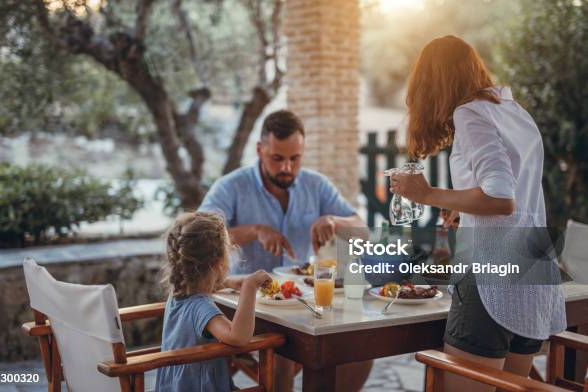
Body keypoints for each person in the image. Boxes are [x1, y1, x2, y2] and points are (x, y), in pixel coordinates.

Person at [390, 35, 566, 391]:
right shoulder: (511, 109)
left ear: (432, 83)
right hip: (533, 271)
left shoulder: (468, 112)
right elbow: (517, 193)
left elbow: (502, 199)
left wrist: (426, 193)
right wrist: (462, 211)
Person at [199, 109, 372, 392]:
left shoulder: (316, 185)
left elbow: (362, 230)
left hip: (300, 300)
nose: (287, 168)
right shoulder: (232, 186)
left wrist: (334, 220)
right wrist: (254, 230)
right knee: (282, 352)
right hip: (244, 304)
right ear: (259, 150)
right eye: (277, 158)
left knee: (359, 348)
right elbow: (203, 236)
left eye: (295, 159)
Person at [155, 211, 272, 392]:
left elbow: (199, 283)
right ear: (219, 263)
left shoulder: (178, 292)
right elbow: (238, 337)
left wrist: (227, 282)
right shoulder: (201, 307)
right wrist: (249, 287)